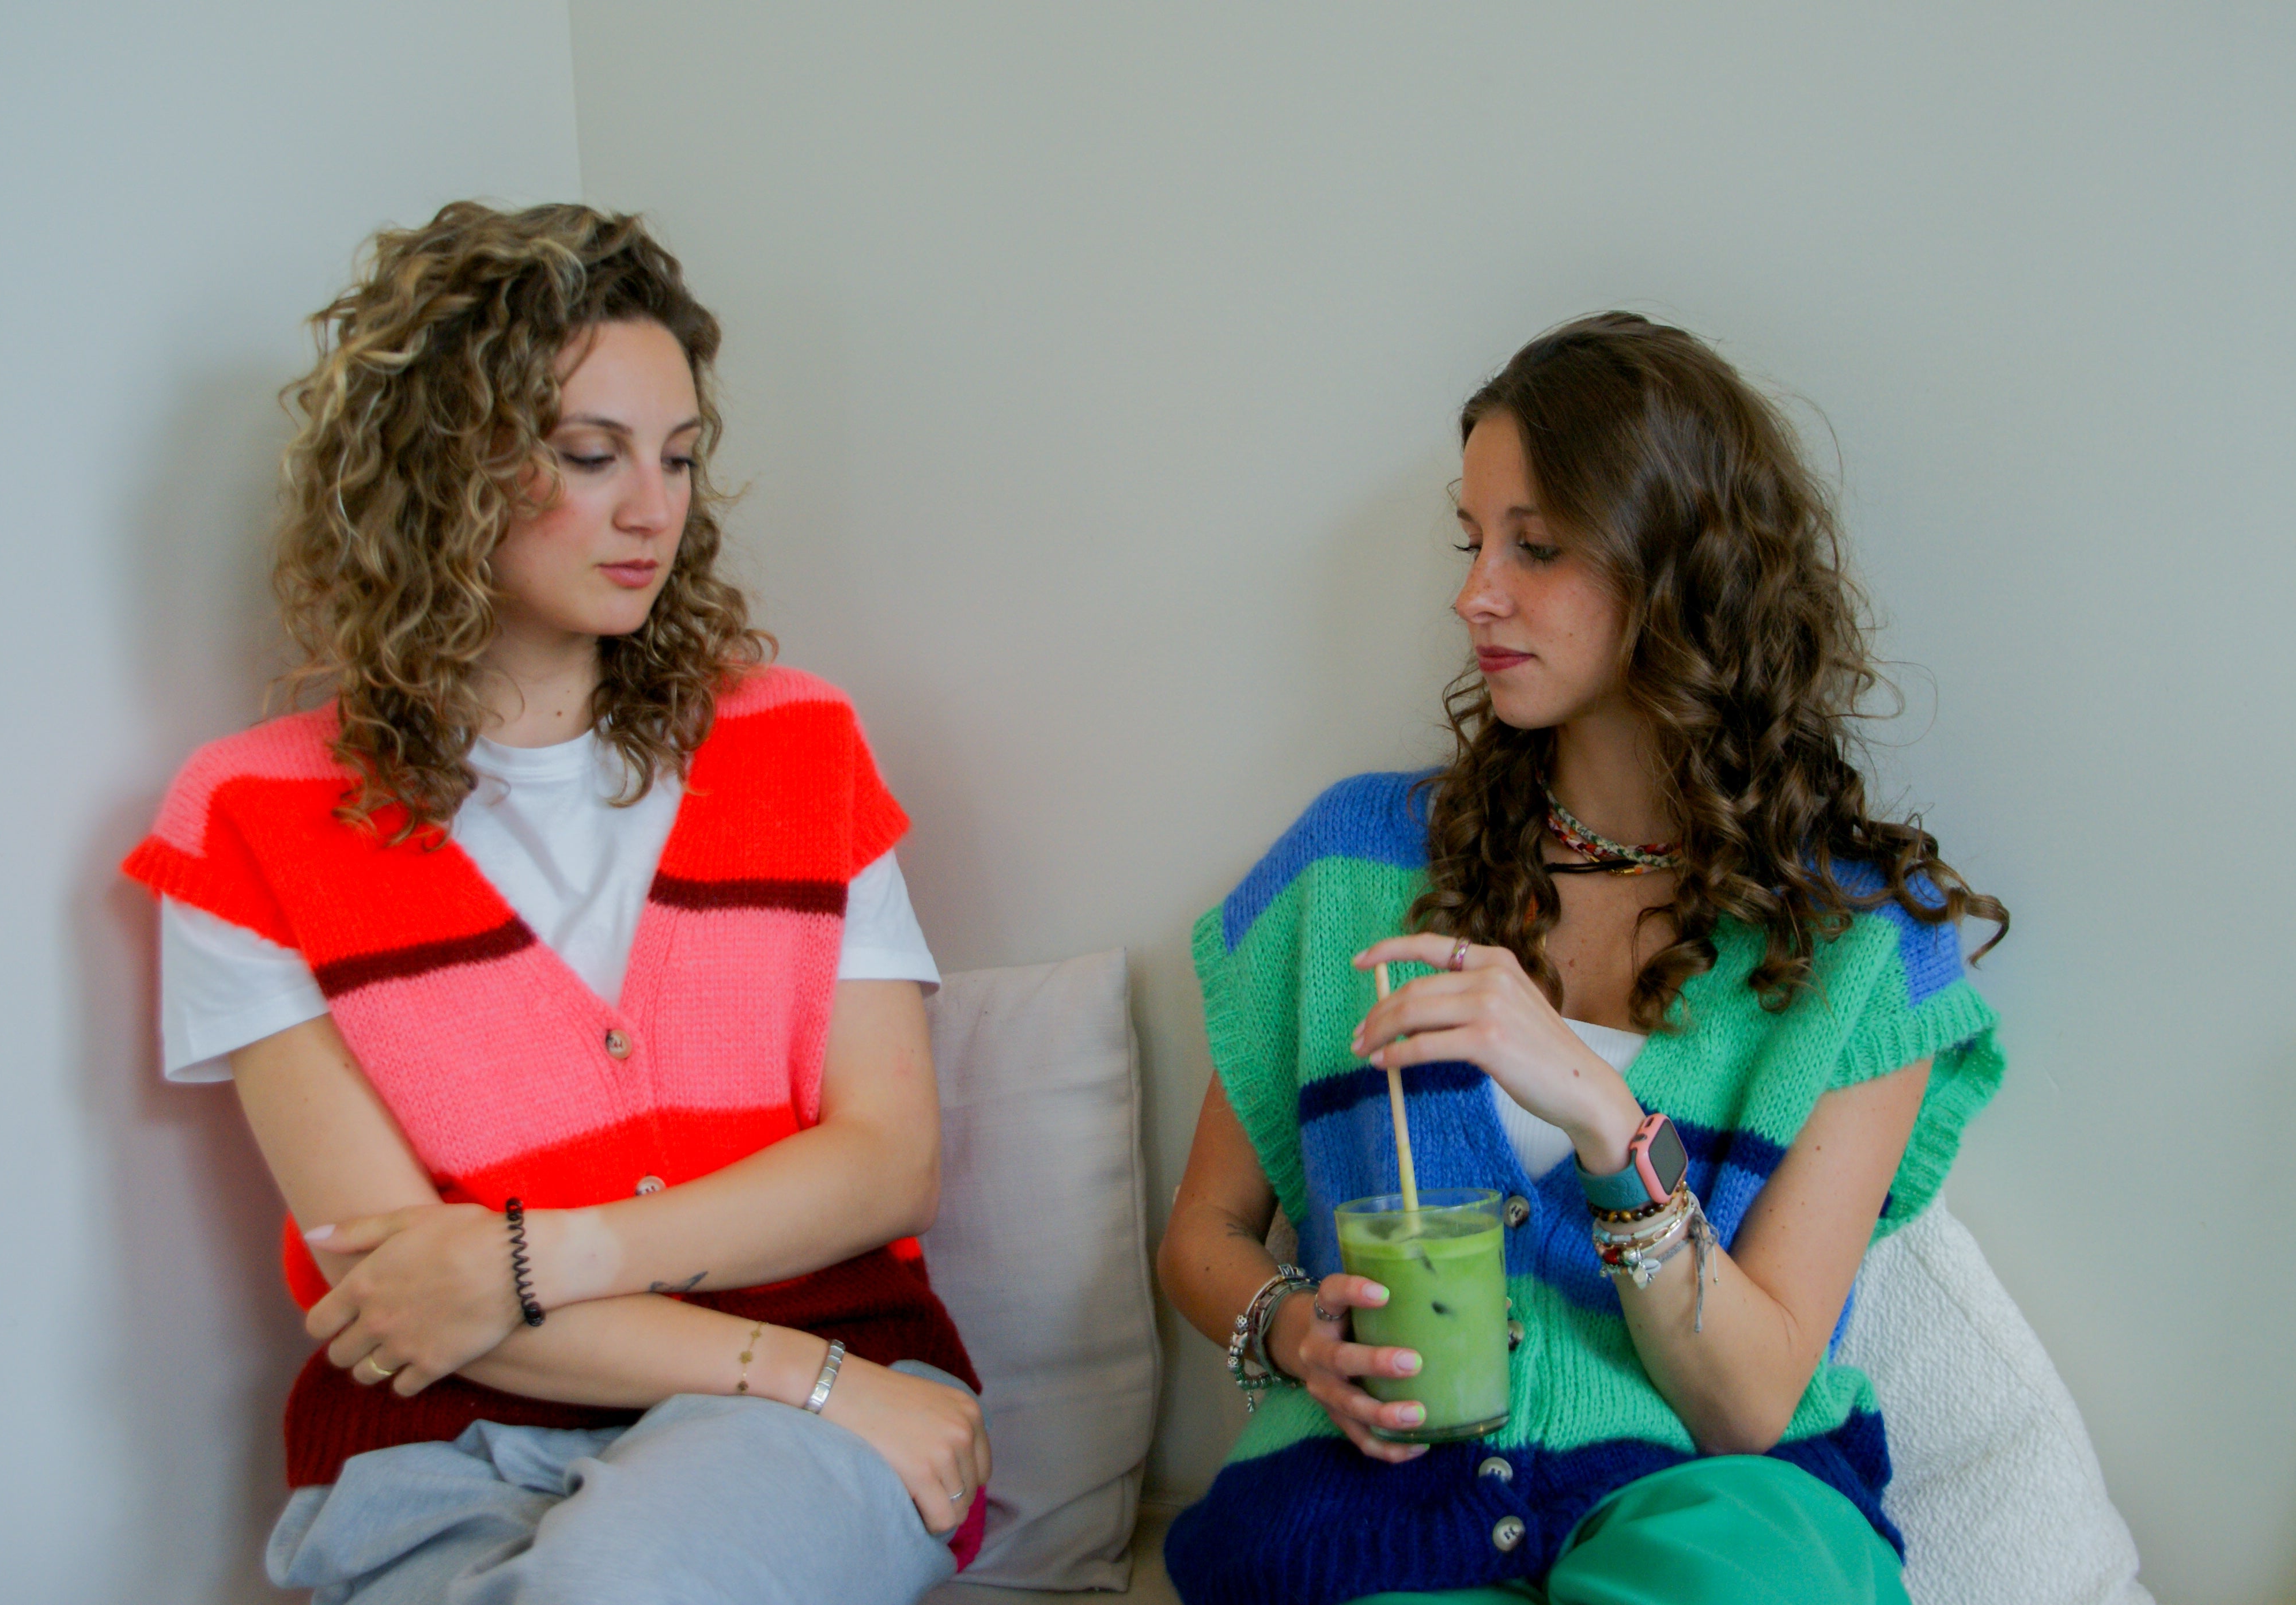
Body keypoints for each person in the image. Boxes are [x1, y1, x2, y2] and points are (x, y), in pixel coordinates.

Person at [122, 201, 989, 1605]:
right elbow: (405, 1295)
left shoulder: (797, 747)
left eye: (679, 457)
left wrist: (543, 1258)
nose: (655, 509)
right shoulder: (248, 820)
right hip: (439, 1441)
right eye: (592, 456)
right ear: (442, 469)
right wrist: (801, 1373)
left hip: (815, 1415)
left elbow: (888, 1164)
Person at [1155, 312, 2007, 1605]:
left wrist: (1607, 1120)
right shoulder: (1349, 870)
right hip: (1374, 1502)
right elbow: (1204, 1231)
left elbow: (1750, 1404)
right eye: (1474, 540)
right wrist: (1288, 1331)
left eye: (1537, 546)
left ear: (1682, 570)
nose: (1474, 593)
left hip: (1713, 1512)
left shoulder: (1863, 945)